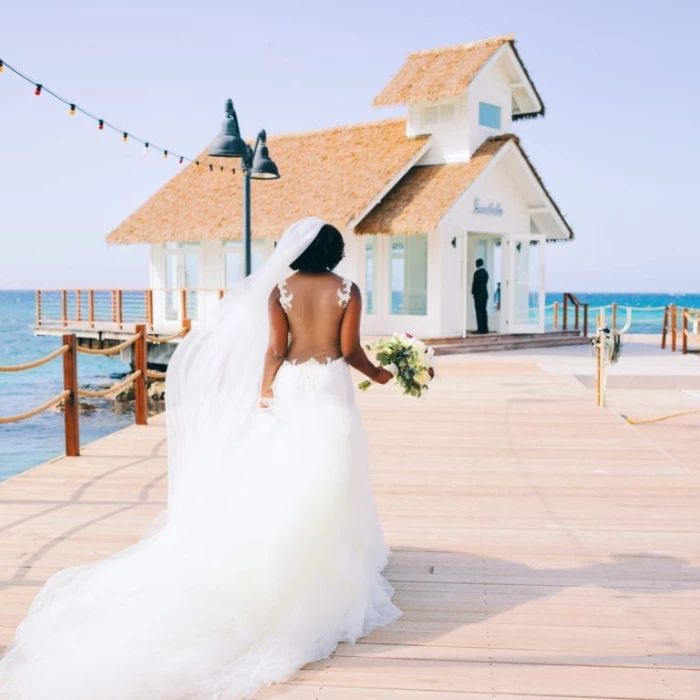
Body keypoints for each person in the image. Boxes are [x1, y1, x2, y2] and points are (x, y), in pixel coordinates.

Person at [0, 218, 400, 700]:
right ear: (334, 252)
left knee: (285, 475)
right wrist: (379, 374)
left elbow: (276, 349)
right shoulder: (348, 289)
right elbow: (348, 349)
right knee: (333, 474)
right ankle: (331, 562)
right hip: (330, 390)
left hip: (293, 385)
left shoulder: (279, 290)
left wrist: (265, 389)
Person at [472, 258, 490, 334]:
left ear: (477, 264)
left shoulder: (477, 273)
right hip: (485, 295)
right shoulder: (486, 273)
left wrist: (473, 292)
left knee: (478, 312)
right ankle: (485, 328)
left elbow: (474, 284)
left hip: (478, 295)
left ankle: (480, 329)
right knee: (484, 311)